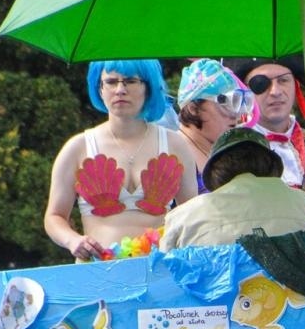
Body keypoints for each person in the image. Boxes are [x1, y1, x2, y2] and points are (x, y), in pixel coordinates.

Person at [45, 60, 200, 261]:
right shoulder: (77, 148)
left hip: (161, 271)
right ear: (99, 89)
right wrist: (72, 240)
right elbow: (54, 216)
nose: (120, 90)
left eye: (130, 81)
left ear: (148, 87)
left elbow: (193, 215)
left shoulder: (176, 145)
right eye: (110, 81)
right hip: (97, 274)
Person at [160, 127, 305, 249]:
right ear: (271, 165)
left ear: (215, 173)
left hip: (219, 300)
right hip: (294, 299)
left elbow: (164, 274)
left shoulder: (183, 216)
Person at [235, 57, 305, 226]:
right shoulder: (235, 146)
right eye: (260, 83)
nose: (275, 91)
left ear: (296, 86)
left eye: (283, 80)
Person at [174, 59, 253, 192]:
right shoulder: (171, 152)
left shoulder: (224, 152)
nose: (235, 115)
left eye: (237, 102)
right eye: (225, 103)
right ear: (193, 108)